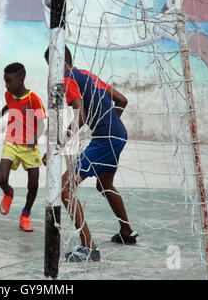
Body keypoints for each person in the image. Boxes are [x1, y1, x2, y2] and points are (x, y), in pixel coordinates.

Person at [44, 46, 138, 262]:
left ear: (55, 65)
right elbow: (122, 100)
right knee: (104, 185)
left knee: (65, 188)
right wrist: (111, 124)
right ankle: (127, 232)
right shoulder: (88, 75)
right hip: (118, 135)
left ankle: (89, 248)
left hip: (105, 140)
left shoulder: (67, 79)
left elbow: (81, 115)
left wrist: (60, 143)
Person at [0, 62, 46, 232]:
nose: (6, 85)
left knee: (33, 184)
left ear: (21, 79)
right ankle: (8, 192)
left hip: (29, 146)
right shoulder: (9, 94)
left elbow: (42, 124)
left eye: (9, 81)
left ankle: (25, 215)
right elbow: (8, 106)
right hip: (11, 142)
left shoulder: (33, 99)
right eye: (5, 81)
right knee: (1, 178)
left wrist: (34, 139)